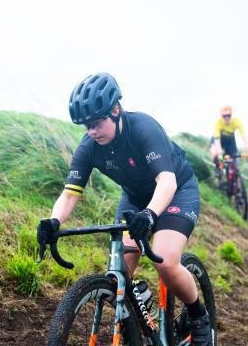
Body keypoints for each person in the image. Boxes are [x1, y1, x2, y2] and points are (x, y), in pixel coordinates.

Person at [37, 73, 211, 345]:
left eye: (96, 123)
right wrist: (52, 221)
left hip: (176, 191)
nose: (91, 131)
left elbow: (166, 181)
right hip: (135, 200)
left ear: (115, 110)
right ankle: (143, 315)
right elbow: (70, 194)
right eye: (86, 126)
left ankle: (198, 316)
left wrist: (151, 215)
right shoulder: (89, 146)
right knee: (121, 272)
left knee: (164, 259)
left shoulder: (143, 128)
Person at [210, 105, 248, 176]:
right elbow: (217, 139)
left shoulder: (237, 122)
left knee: (234, 159)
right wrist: (219, 152)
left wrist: (247, 146)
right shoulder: (218, 123)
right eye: (224, 116)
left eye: (228, 115)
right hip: (219, 139)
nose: (227, 117)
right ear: (221, 116)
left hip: (230, 139)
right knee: (215, 153)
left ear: (231, 115)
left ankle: (237, 181)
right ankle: (218, 168)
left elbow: (244, 136)